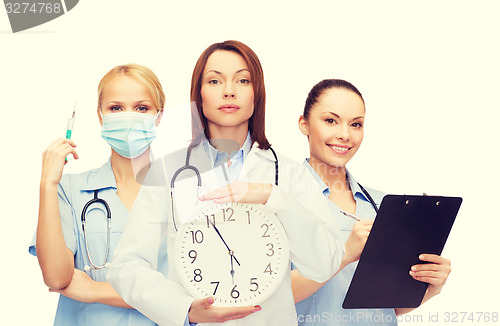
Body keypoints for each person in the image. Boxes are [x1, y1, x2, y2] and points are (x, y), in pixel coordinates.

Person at [107, 40, 344, 326]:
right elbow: (126, 265)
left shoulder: (289, 174)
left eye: (242, 80)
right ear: (200, 94)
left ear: (257, 94)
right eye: (215, 80)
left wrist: (273, 197)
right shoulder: (167, 173)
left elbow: (326, 262)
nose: (229, 90)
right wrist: (184, 309)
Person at [292, 79, 452, 325]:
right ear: (304, 124)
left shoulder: (382, 205)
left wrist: (429, 287)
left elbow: (387, 307)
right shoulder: (281, 201)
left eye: (356, 124)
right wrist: (344, 255)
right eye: (330, 120)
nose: (345, 135)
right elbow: (273, 296)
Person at [29, 63, 167, 325]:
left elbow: (189, 296)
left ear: (159, 116)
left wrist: (92, 290)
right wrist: (47, 183)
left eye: (141, 108)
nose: (128, 117)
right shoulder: (70, 190)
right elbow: (57, 278)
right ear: (100, 115)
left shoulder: (181, 194)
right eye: (116, 108)